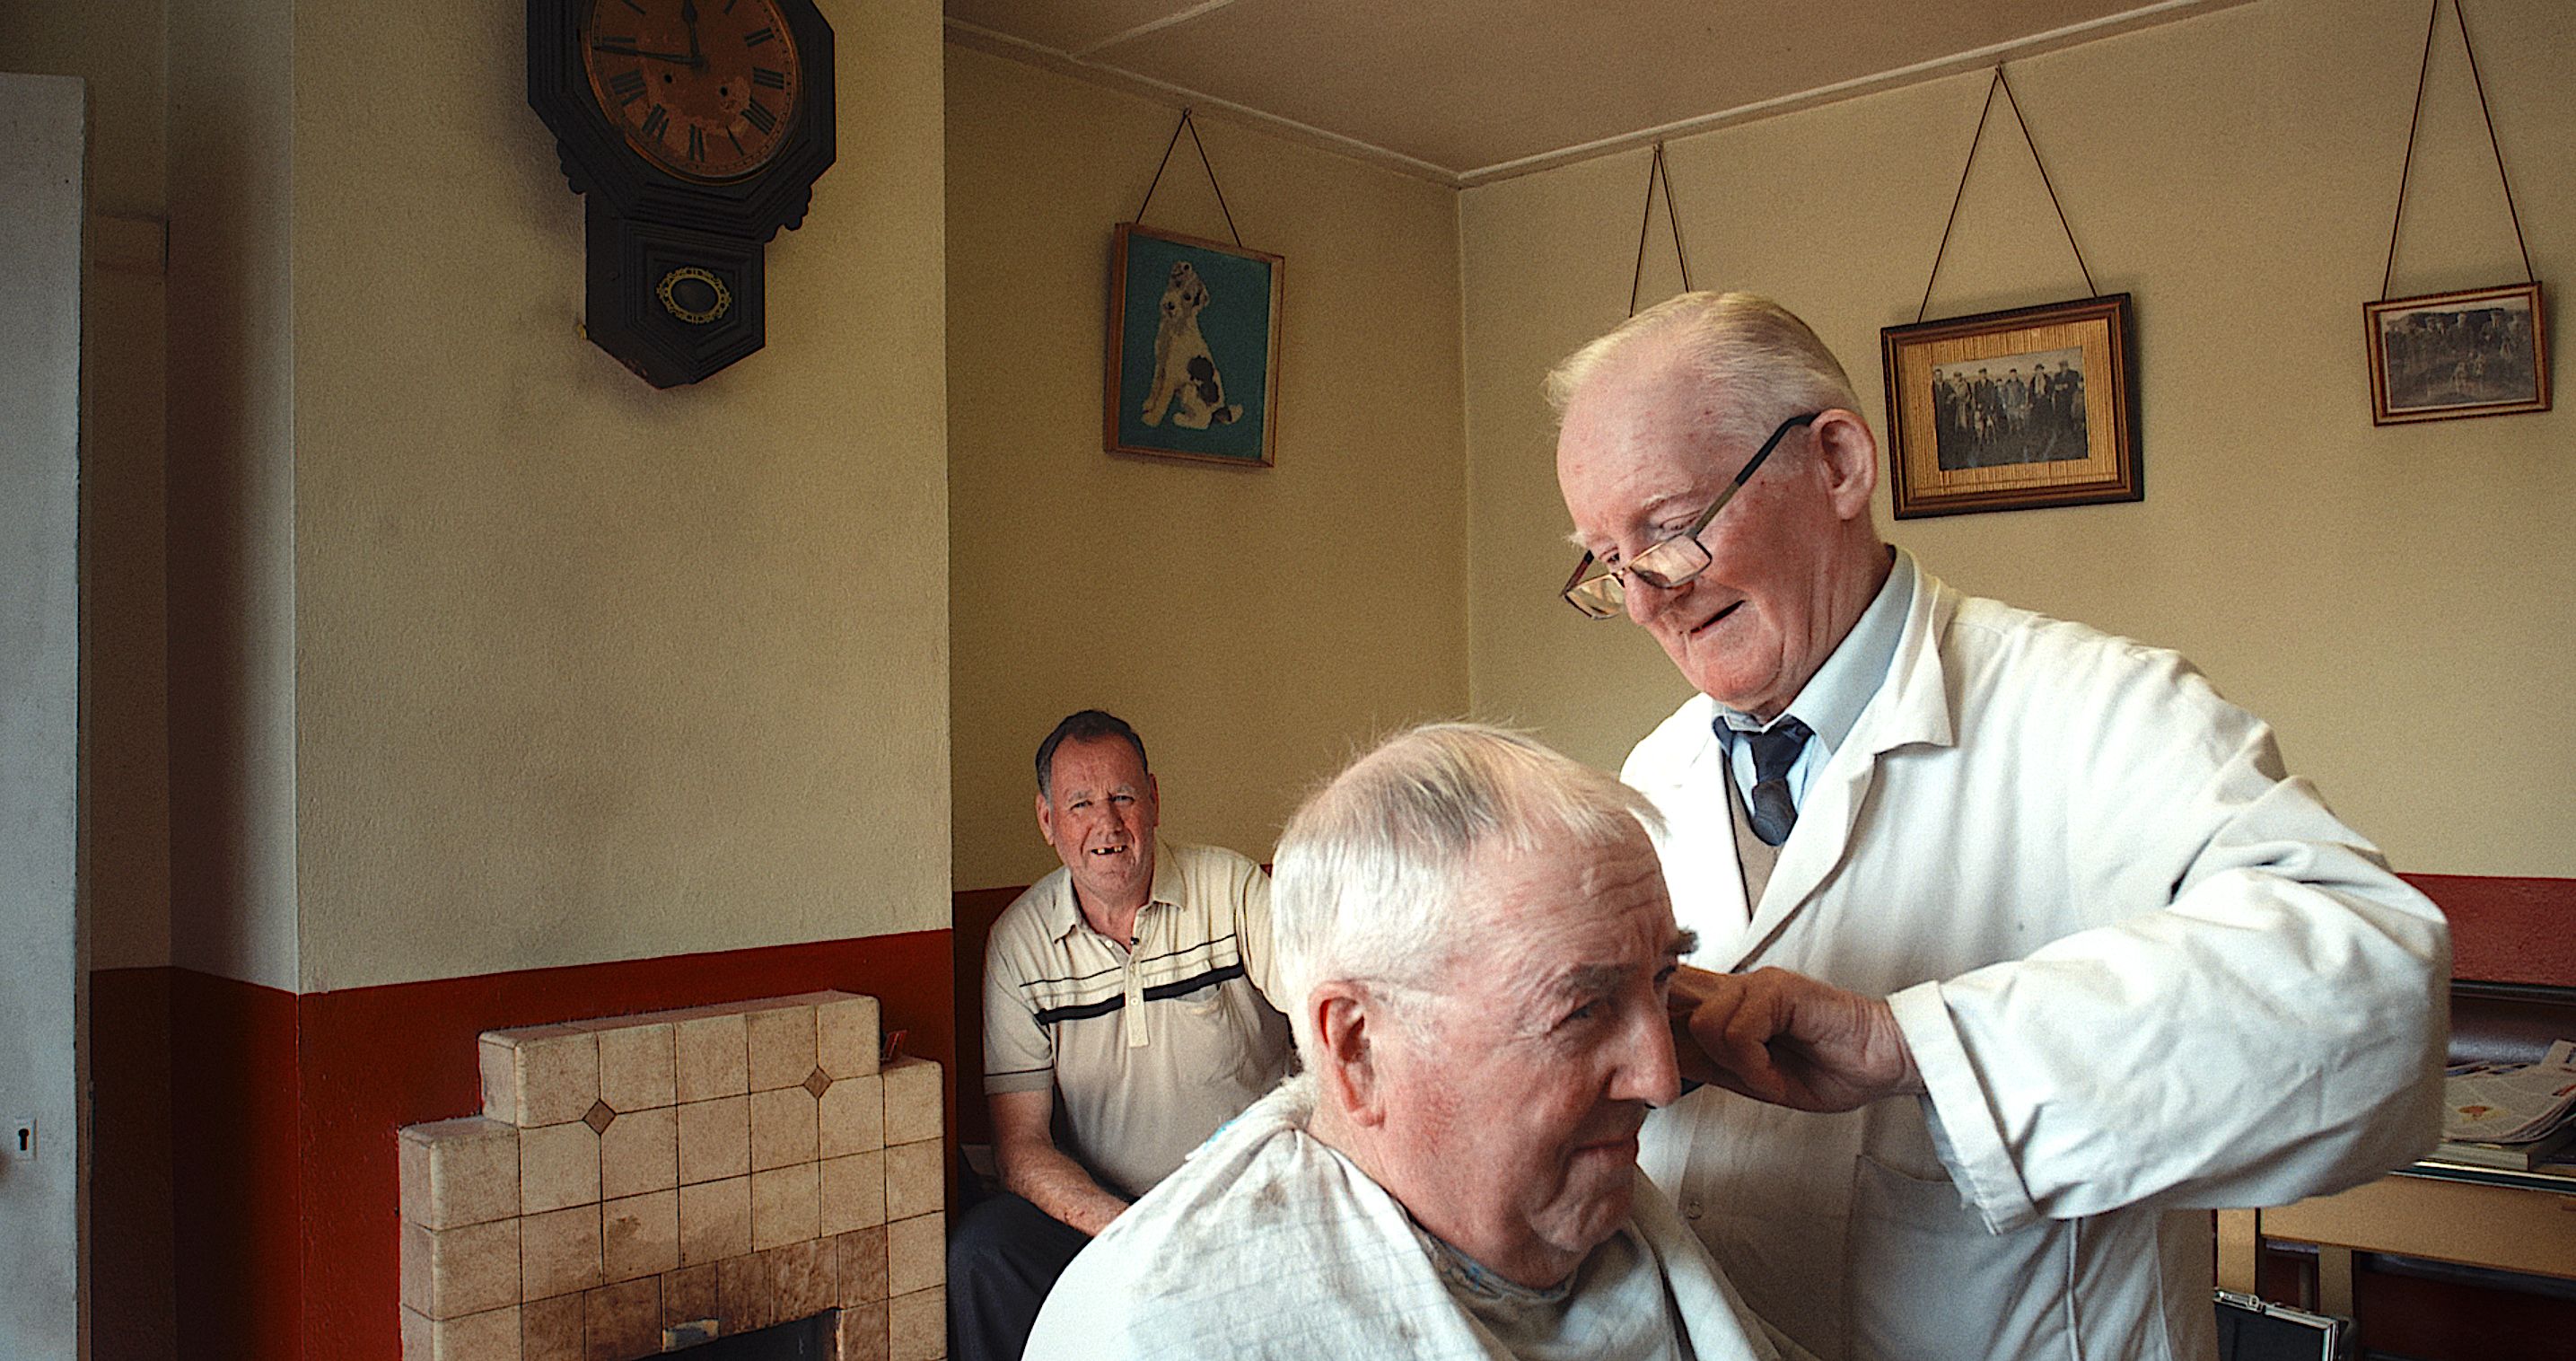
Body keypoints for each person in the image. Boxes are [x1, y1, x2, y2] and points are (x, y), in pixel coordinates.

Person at [1547, 292, 2449, 1360]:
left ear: (1835, 463)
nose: (1646, 600)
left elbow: (2377, 993)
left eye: (1669, 530)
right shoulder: (1654, 777)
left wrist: (1908, 1047)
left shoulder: (2099, 710)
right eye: (1607, 559)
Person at [1024, 724, 1780, 1360]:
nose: (1661, 1078)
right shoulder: (1149, 1329)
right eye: (1581, 1010)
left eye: (1660, 981)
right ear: (1356, 1049)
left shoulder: (1617, 1224)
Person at [950, 709, 1293, 1361]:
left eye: (1123, 797)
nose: (1106, 824)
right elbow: (1021, 1146)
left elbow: (1321, 1020)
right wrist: (1127, 1230)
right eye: (1080, 803)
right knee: (984, 1251)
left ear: (1155, 801)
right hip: (1106, 1215)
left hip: (1241, 1198)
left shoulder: (1232, 888)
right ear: (1048, 822)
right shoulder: (1021, 943)